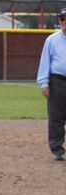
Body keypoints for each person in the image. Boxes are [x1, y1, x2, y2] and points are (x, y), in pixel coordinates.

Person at [37, 7, 66, 161]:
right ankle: (57, 148)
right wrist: (44, 83)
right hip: (57, 81)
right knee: (56, 117)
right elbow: (45, 62)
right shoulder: (52, 40)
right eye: (62, 19)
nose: (65, 22)